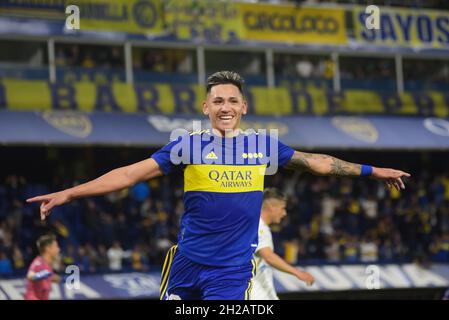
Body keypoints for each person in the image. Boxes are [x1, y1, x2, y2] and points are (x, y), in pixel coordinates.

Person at [27, 70, 410, 300]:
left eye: (232, 100)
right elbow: (129, 174)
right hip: (184, 264)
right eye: (217, 100)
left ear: (243, 107)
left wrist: (373, 171)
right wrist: (70, 192)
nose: (225, 106)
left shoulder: (263, 147)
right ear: (205, 108)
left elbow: (319, 164)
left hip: (231, 271)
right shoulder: (187, 146)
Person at [252, 188, 314, 300]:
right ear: (271, 207)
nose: (284, 213)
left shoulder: (258, 226)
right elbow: (268, 256)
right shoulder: (259, 227)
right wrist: (298, 273)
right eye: (283, 208)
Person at [24, 234, 60, 300]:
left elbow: (48, 276)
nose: (58, 249)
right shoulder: (38, 263)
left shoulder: (48, 265)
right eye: (56, 246)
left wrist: (54, 277)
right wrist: (43, 274)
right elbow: (30, 276)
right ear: (48, 248)